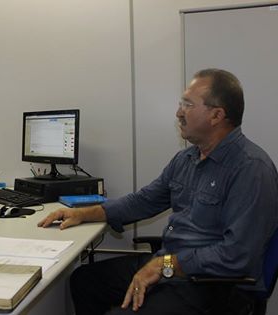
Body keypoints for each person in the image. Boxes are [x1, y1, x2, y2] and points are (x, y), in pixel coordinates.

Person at [38, 69, 278, 315]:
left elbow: (237, 256)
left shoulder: (251, 169)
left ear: (217, 115)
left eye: (187, 104)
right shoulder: (186, 159)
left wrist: (165, 265)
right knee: (85, 281)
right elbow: (144, 201)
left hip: (214, 285)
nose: (178, 113)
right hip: (171, 266)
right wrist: (84, 214)